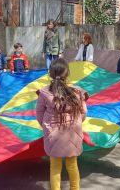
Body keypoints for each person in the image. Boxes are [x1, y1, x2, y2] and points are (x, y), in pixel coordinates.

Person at [36, 58, 88, 190]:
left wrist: (48, 126)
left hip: (53, 135)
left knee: (55, 167)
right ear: (67, 73)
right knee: (72, 165)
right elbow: (83, 112)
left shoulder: (44, 92)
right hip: (73, 135)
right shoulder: (77, 92)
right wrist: (75, 123)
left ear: (50, 73)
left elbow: (39, 114)